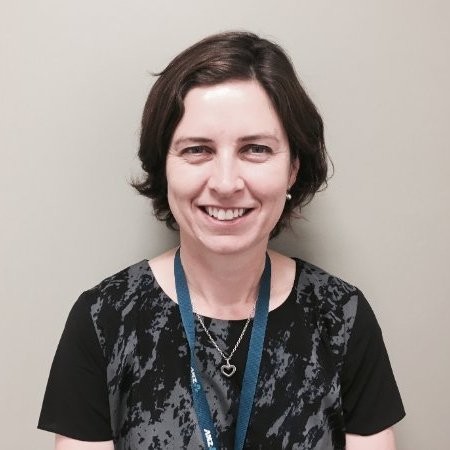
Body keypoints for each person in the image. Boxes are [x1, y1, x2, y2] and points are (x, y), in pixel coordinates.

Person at [38, 31, 405, 450]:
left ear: (292, 168)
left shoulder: (342, 316)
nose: (226, 183)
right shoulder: (103, 320)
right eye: (197, 149)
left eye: (256, 149)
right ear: (164, 166)